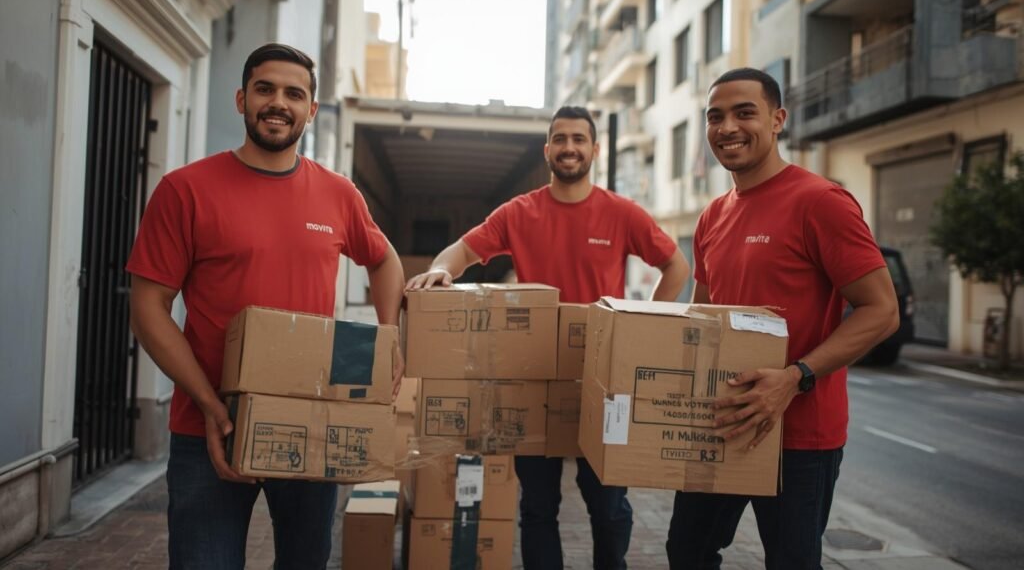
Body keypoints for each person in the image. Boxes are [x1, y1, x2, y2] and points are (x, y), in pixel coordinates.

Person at [126, 43, 404, 569]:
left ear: (311, 110)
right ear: (241, 99)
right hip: (206, 426)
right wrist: (211, 406)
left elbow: (385, 260)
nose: (278, 103)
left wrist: (388, 339)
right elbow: (148, 309)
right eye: (265, 89)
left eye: (294, 93)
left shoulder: (338, 195)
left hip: (309, 419)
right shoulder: (185, 190)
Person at [406, 106, 691, 570]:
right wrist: (440, 271)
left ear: (595, 150)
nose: (569, 147)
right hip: (533, 379)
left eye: (579, 139)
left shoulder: (621, 213)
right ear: (547, 150)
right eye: (560, 139)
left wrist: (644, 322)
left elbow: (676, 266)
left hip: (603, 381)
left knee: (608, 506)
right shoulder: (520, 213)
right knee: (538, 508)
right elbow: (460, 251)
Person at [665, 68, 899, 569]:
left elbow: (882, 311)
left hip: (801, 438)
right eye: (715, 117)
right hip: (723, 423)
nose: (727, 127)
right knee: (686, 551)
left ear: (777, 120)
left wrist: (795, 378)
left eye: (744, 113)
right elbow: (705, 318)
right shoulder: (712, 216)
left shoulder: (820, 201)